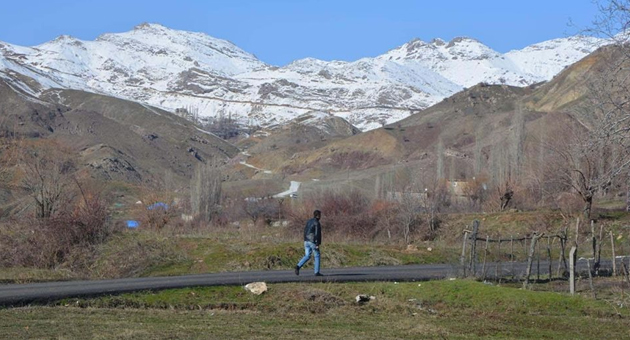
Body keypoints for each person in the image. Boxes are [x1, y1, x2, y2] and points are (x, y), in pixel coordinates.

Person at [295, 209, 323, 276]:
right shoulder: (317, 222)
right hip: (312, 241)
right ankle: (317, 272)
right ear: (318, 215)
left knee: (307, 255)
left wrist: (305, 239)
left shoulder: (309, 221)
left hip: (306, 240)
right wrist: (317, 243)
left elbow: (305, 231)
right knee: (317, 255)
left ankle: (298, 266)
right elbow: (317, 233)